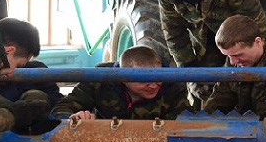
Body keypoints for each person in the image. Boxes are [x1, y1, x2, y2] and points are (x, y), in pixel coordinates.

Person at [151, 0, 266, 105]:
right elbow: (173, 32)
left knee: (242, 92)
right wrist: (189, 71)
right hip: (202, 45)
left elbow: (253, 19)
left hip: (236, 41)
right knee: (205, 96)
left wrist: (249, 58)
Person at [50, 45, 191, 121]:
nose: (154, 86)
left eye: (157, 78)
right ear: (123, 78)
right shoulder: (100, 79)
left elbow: (185, 124)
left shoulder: (172, 84)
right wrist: (73, 119)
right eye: (145, 81)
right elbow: (61, 108)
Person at [0, 59, 63, 135]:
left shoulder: (37, 69)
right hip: (3, 120)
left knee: (35, 96)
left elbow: (54, 97)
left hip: (34, 124)